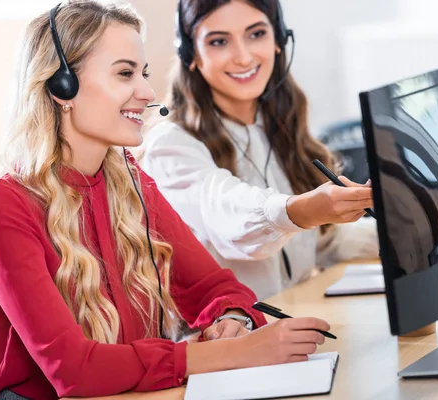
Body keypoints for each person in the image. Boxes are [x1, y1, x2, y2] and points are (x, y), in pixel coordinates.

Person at [0, 2, 330, 399]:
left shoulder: (130, 182)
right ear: (61, 86)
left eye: (143, 73)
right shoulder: (3, 206)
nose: (148, 93)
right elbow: (74, 372)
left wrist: (232, 319)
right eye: (125, 74)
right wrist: (232, 353)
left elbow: (211, 286)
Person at [141, 0, 379, 300]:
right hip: (230, 338)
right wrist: (302, 210)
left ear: (278, 40)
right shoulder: (170, 145)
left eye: (256, 34)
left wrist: (405, 231)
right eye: (219, 41)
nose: (243, 57)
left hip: (299, 320)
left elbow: (322, 242)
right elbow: (229, 213)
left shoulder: (276, 124)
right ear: (191, 54)